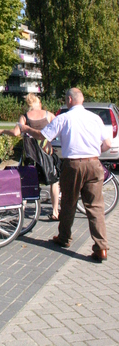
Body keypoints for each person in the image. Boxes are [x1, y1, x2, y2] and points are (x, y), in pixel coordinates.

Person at [20, 87, 112, 261]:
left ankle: (64, 238)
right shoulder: (96, 119)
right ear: (82, 100)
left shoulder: (64, 118)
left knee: (69, 202)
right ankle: (101, 247)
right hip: (93, 162)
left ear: (69, 100)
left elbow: (42, 135)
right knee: (95, 207)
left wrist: (26, 128)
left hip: (73, 165)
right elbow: (107, 144)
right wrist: (94, 153)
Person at [0, 94, 60, 220]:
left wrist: (2, 131)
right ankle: (55, 211)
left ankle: (22, 209)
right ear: (39, 103)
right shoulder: (48, 115)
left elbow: (16, 133)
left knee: (26, 179)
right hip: (46, 150)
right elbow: (58, 128)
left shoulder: (25, 117)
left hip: (30, 152)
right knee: (54, 181)